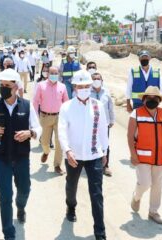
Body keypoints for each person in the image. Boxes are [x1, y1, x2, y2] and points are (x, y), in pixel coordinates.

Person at [0, 68, 42, 240]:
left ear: (16, 87)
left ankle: (21, 207)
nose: (4, 88)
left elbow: (38, 128)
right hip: (1, 158)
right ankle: (8, 233)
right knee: (5, 195)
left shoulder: (26, 105)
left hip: (21, 157)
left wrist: (30, 133)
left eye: (7, 85)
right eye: (2, 85)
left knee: (24, 189)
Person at [58, 70, 109, 240]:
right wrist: (67, 150)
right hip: (73, 156)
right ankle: (71, 206)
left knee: (96, 193)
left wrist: (105, 152)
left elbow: (103, 130)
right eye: (81, 86)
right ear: (75, 87)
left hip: (94, 155)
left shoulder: (97, 105)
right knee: (71, 186)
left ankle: (100, 233)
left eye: (87, 86)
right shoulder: (67, 107)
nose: (85, 89)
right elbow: (62, 131)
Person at [127, 86, 162, 225]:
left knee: (158, 185)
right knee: (145, 183)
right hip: (142, 157)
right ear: (144, 99)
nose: (152, 100)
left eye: (155, 98)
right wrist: (133, 154)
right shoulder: (136, 113)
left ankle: (153, 211)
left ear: (159, 100)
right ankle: (136, 197)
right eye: (149, 98)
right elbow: (130, 136)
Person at [34, 66, 69, 175]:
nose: (54, 75)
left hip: (59, 117)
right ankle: (46, 151)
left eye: (56, 73)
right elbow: (35, 102)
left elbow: (66, 102)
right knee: (44, 141)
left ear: (58, 74)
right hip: (45, 117)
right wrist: (34, 117)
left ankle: (57, 165)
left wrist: (68, 117)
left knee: (59, 143)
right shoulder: (41, 85)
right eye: (52, 73)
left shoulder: (62, 87)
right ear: (48, 74)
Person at [90, 72, 115, 177]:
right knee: (92, 143)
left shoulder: (106, 92)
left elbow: (110, 107)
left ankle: (105, 166)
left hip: (104, 124)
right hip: (91, 123)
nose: (96, 80)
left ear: (102, 81)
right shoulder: (88, 92)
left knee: (105, 144)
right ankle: (91, 165)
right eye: (94, 78)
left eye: (98, 78)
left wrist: (112, 120)